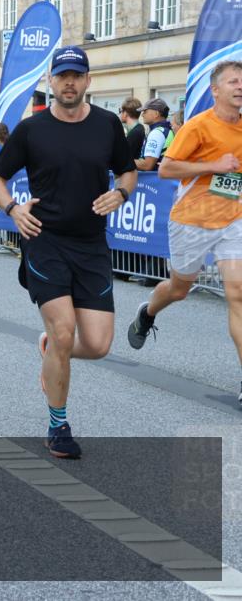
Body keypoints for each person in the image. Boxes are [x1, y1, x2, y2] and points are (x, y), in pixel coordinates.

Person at [0, 46, 137, 459]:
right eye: (62, 75)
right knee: (64, 330)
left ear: (88, 81)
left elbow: (128, 169)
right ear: (51, 81)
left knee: (100, 344)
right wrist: (13, 209)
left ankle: (51, 348)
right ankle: (58, 425)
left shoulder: (107, 125)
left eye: (77, 75)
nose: (69, 82)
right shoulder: (32, 130)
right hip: (45, 239)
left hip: (91, 245)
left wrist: (121, 192)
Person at [127, 60, 242, 406]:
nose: (240, 86)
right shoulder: (198, 126)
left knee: (238, 293)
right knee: (179, 288)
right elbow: (166, 169)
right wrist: (213, 165)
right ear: (216, 89)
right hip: (191, 221)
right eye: (234, 81)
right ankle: (147, 313)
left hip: (232, 220)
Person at [134, 98, 174, 171]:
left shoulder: (157, 133)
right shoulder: (166, 129)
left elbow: (147, 165)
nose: (142, 115)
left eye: (145, 111)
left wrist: (123, 161)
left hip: (156, 181)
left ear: (156, 114)